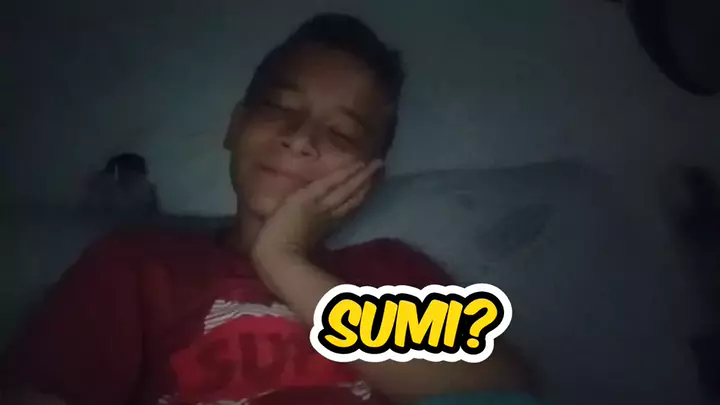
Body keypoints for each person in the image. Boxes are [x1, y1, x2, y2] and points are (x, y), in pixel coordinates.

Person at [1, 13, 533, 405]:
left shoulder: (392, 272)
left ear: (370, 178)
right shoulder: (137, 266)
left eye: (341, 133)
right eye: (279, 108)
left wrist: (284, 261)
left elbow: (500, 394)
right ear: (236, 126)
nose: (300, 138)